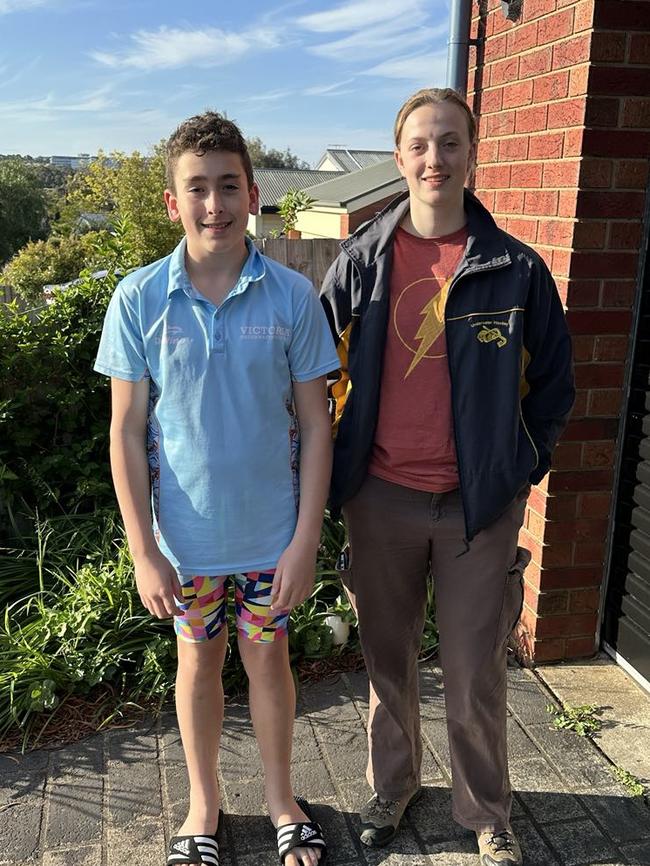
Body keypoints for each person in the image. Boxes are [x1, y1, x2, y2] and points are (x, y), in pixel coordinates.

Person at [320, 88, 574, 866]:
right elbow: (311, 378)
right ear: (399, 158)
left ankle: (486, 811)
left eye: (450, 143)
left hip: (478, 509)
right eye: (420, 145)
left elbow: (555, 387)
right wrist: (333, 471)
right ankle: (392, 787)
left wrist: (517, 468)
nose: (435, 158)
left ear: (472, 151)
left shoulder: (515, 269)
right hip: (380, 501)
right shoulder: (359, 263)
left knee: (473, 675)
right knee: (386, 666)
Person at [94, 111, 338, 866]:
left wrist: (306, 540)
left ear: (254, 193)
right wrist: (143, 552)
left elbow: (318, 425)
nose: (214, 204)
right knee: (197, 664)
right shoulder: (138, 300)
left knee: (268, 660)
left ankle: (279, 799)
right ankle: (203, 805)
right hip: (186, 545)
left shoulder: (293, 297)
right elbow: (126, 433)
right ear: (173, 201)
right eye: (196, 188)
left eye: (228, 186)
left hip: (273, 540)